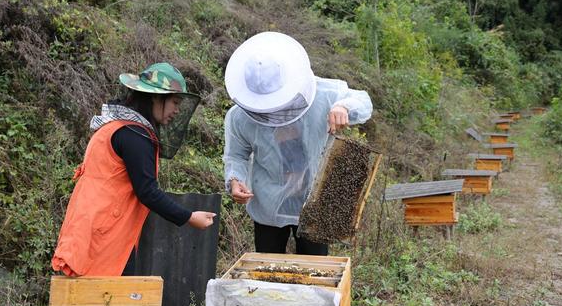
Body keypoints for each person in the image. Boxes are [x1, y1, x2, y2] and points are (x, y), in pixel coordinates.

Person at [52, 62, 216, 277]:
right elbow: (147, 191)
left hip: (91, 230)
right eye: (175, 102)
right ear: (156, 97)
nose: (177, 111)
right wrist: (188, 217)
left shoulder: (117, 126)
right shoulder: (133, 135)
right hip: (103, 237)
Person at [223, 32, 373, 256]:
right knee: (267, 270)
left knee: (314, 273)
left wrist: (344, 107)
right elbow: (236, 155)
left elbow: (363, 101)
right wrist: (235, 180)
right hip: (269, 203)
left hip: (315, 200)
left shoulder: (324, 94)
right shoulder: (240, 116)